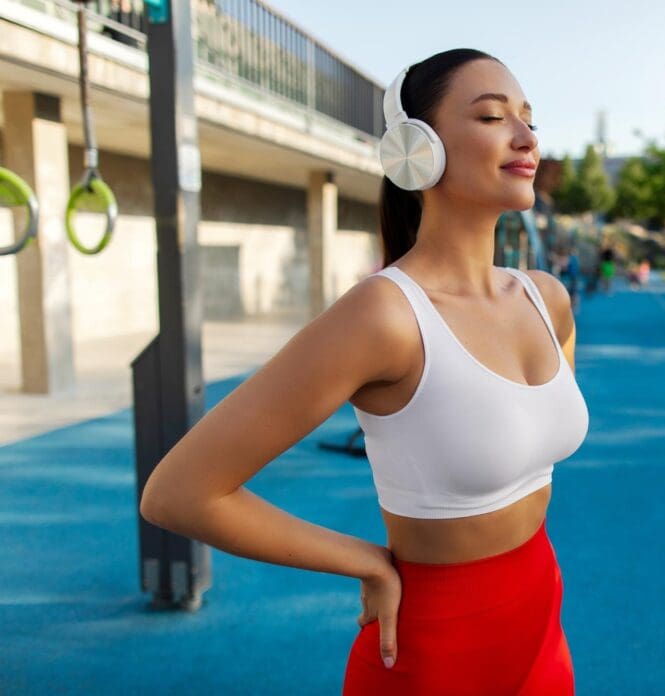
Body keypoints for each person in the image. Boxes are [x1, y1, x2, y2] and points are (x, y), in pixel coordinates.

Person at [139, 49, 588, 696]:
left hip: (542, 618)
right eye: (493, 117)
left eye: (529, 118)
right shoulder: (385, 316)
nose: (526, 138)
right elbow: (180, 491)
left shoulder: (547, 299)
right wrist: (366, 562)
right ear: (416, 146)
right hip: (436, 644)